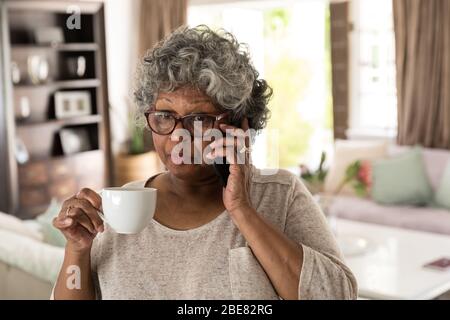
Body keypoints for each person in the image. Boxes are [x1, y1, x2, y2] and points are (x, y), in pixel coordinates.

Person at [52, 25, 357, 300]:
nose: (177, 136)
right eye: (164, 117)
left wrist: (242, 210)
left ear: (239, 125)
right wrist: (77, 250)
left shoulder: (280, 194)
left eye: (199, 119)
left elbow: (336, 296)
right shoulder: (119, 208)